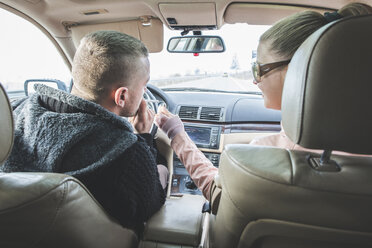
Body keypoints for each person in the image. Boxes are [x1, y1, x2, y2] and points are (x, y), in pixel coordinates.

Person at [155, 2, 372, 205]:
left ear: (296, 72)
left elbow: (217, 195)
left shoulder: (266, 159)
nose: (254, 80)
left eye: (259, 69)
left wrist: (176, 135)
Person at [2, 30, 167, 233]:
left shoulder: (14, 114)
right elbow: (150, 202)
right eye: (144, 84)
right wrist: (145, 139)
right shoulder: (126, 152)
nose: (145, 91)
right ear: (121, 96)